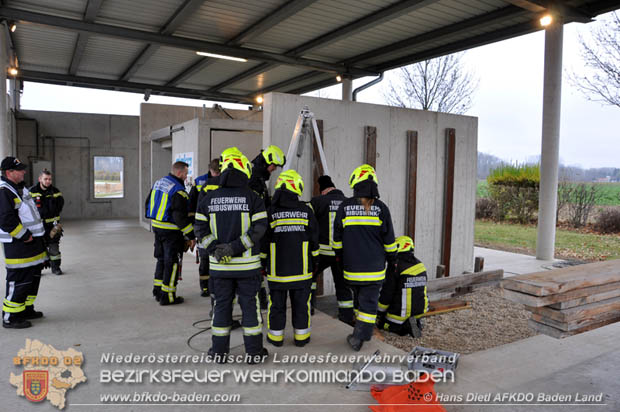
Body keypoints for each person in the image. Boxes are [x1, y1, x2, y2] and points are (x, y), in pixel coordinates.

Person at [195, 148, 268, 364]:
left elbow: (199, 229)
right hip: (248, 268)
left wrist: (216, 249)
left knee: (221, 309)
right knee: (250, 310)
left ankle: (218, 353)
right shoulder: (253, 198)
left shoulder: (209, 198)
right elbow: (260, 228)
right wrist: (235, 248)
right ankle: (254, 353)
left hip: (220, 269)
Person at [333, 164, 397, 351]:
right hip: (374, 270)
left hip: (351, 268)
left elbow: (336, 238)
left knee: (358, 301)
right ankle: (360, 336)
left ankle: (359, 332)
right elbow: (390, 241)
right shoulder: (382, 208)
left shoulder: (345, 207)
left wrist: (339, 257)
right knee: (368, 304)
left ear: (355, 184)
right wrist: (393, 260)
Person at [264, 169, 319, 347]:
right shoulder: (306, 210)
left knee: (276, 306)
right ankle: (301, 339)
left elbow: (264, 241)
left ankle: (276, 338)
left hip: (276, 271)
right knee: (301, 306)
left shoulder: (270, 212)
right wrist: (315, 262)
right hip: (302, 271)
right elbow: (314, 239)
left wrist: (263, 264)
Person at [0, 157, 47, 329]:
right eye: (20, 169)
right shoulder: (4, 190)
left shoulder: (19, 188)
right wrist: (25, 236)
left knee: (31, 279)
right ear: (9, 172)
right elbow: (6, 220)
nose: (24, 171)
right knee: (19, 281)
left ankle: (25, 310)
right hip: (19, 245)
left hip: (31, 243)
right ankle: (11, 318)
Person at [145, 161, 196, 305]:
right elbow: (180, 218)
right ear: (179, 173)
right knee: (172, 262)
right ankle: (168, 296)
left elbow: (147, 203)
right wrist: (191, 236)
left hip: (157, 227)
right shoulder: (178, 190)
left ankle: (158, 290)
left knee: (161, 259)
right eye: (186, 174)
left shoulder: (159, 183)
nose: (186, 177)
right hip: (171, 232)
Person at [310, 175, 353, 324]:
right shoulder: (348, 203)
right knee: (343, 284)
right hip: (341, 253)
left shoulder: (317, 201)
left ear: (323, 191)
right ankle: (346, 316)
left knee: (310, 278)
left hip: (321, 252)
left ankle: (309, 308)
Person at [248, 145, 286, 310]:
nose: (274, 170)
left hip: (258, 229)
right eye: (273, 166)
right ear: (266, 162)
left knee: (259, 265)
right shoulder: (253, 179)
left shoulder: (257, 177)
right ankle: (258, 298)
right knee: (256, 264)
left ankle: (261, 297)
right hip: (253, 230)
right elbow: (255, 206)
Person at [376, 236, 428, 338]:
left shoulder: (395, 266)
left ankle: (405, 327)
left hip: (400, 313)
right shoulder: (420, 264)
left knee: (384, 324)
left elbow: (387, 292)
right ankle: (416, 322)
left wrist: (379, 312)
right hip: (420, 310)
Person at [189, 158, 221, 297]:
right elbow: (192, 205)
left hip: (212, 226)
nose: (217, 175)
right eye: (216, 172)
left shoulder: (223, 182)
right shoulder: (199, 182)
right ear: (211, 170)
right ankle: (205, 287)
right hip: (204, 226)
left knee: (214, 258)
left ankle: (214, 287)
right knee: (205, 259)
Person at [29, 169, 64, 275]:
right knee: (37, 249)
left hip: (52, 226)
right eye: (45, 179)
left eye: (50, 179)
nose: (48, 181)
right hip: (37, 227)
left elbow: (59, 207)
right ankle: (37, 269)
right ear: (40, 179)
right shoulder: (31, 192)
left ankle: (56, 268)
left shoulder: (56, 192)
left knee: (54, 248)